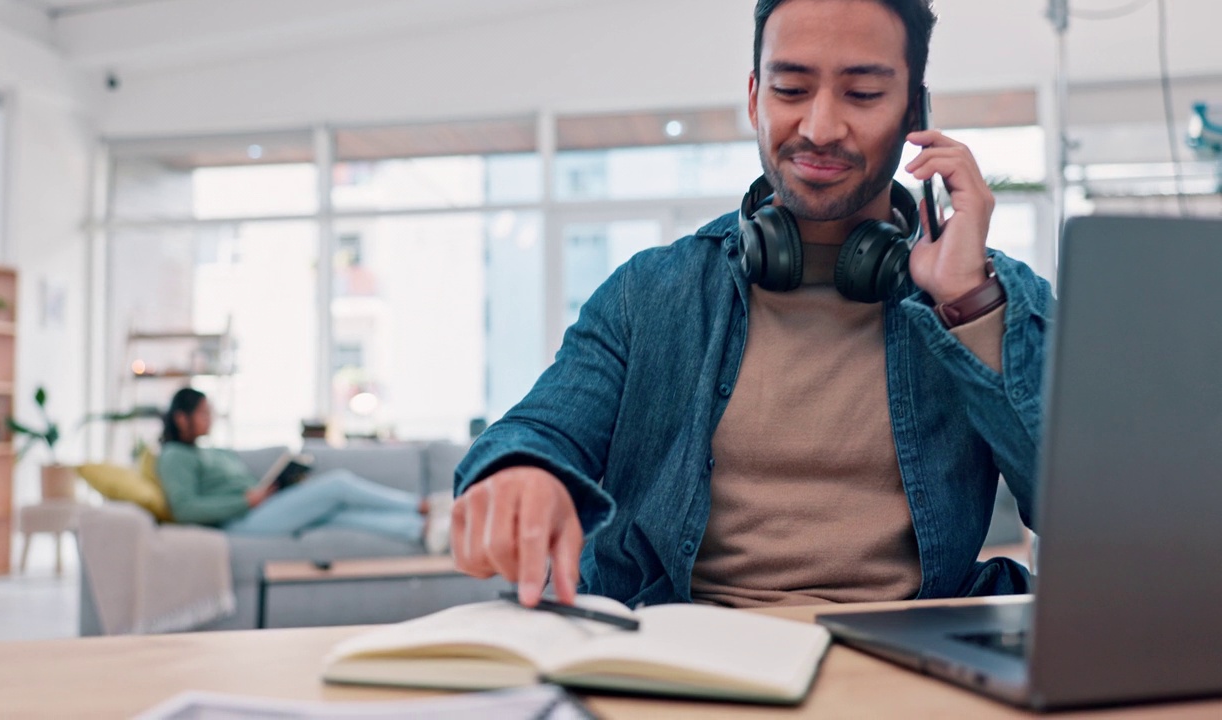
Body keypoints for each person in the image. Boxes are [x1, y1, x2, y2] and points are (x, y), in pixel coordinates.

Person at [451, 0, 1053, 609]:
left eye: (863, 94)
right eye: (790, 88)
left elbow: (1085, 511)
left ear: (913, 112)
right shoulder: (652, 293)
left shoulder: (995, 297)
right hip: (686, 661)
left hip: (905, 660)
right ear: (754, 98)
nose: (820, 128)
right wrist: (522, 473)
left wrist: (970, 305)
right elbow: (538, 429)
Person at [157, 388, 451, 552]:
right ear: (182, 418)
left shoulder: (208, 450)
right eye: (204, 413)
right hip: (241, 520)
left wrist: (276, 487)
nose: (211, 419)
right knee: (339, 485)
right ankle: (423, 505)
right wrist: (246, 501)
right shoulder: (174, 456)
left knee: (336, 516)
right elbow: (185, 509)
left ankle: (421, 529)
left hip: (259, 508)